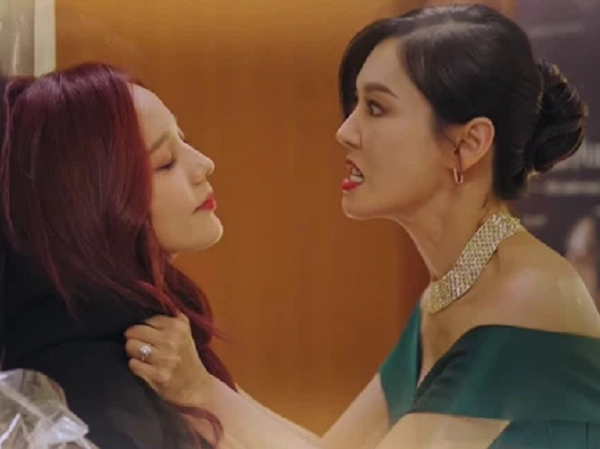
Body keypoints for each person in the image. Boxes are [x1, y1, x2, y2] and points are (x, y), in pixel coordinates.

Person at [125, 4, 600, 449]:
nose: (345, 131)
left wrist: (201, 391)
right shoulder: (448, 293)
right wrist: (201, 389)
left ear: (469, 143)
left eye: (376, 107)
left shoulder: (526, 300)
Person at [0, 62, 236, 448]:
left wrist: (201, 389)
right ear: (89, 204)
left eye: (184, 140)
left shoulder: (144, 340)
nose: (204, 164)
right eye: (166, 162)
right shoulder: (96, 390)